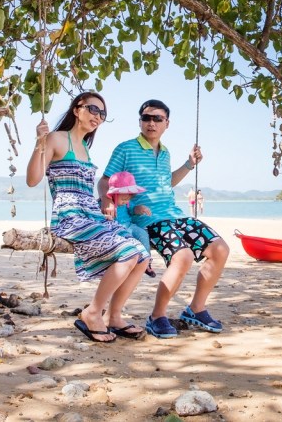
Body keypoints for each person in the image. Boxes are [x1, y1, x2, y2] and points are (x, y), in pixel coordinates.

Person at [26, 91, 151, 343]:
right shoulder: (56, 138)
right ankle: (92, 313)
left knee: (142, 256)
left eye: (102, 113)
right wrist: (39, 142)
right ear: (76, 109)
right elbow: (32, 180)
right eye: (93, 109)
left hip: (90, 215)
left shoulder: (84, 147)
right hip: (69, 216)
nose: (98, 116)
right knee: (128, 252)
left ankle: (114, 317)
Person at [99, 99, 230, 339]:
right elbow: (105, 180)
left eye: (157, 118)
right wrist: (107, 202)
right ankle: (157, 316)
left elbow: (166, 182)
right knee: (184, 256)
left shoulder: (166, 151)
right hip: (148, 219)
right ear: (140, 121)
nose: (151, 123)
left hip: (175, 214)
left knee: (220, 248)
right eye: (146, 118)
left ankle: (196, 308)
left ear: (166, 124)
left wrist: (189, 164)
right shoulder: (125, 148)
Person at [106, 171, 157, 277]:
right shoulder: (107, 203)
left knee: (142, 234)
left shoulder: (128, 203)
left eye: (128, 198)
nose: (126, 201)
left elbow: (132, 209)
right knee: (127, 242)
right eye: (123, 199)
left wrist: (139, 209)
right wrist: (105, 216)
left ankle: (147, 261)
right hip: (115, 229)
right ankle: (127, 261)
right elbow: (96, 214)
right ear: (114, 194)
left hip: (129, 226)